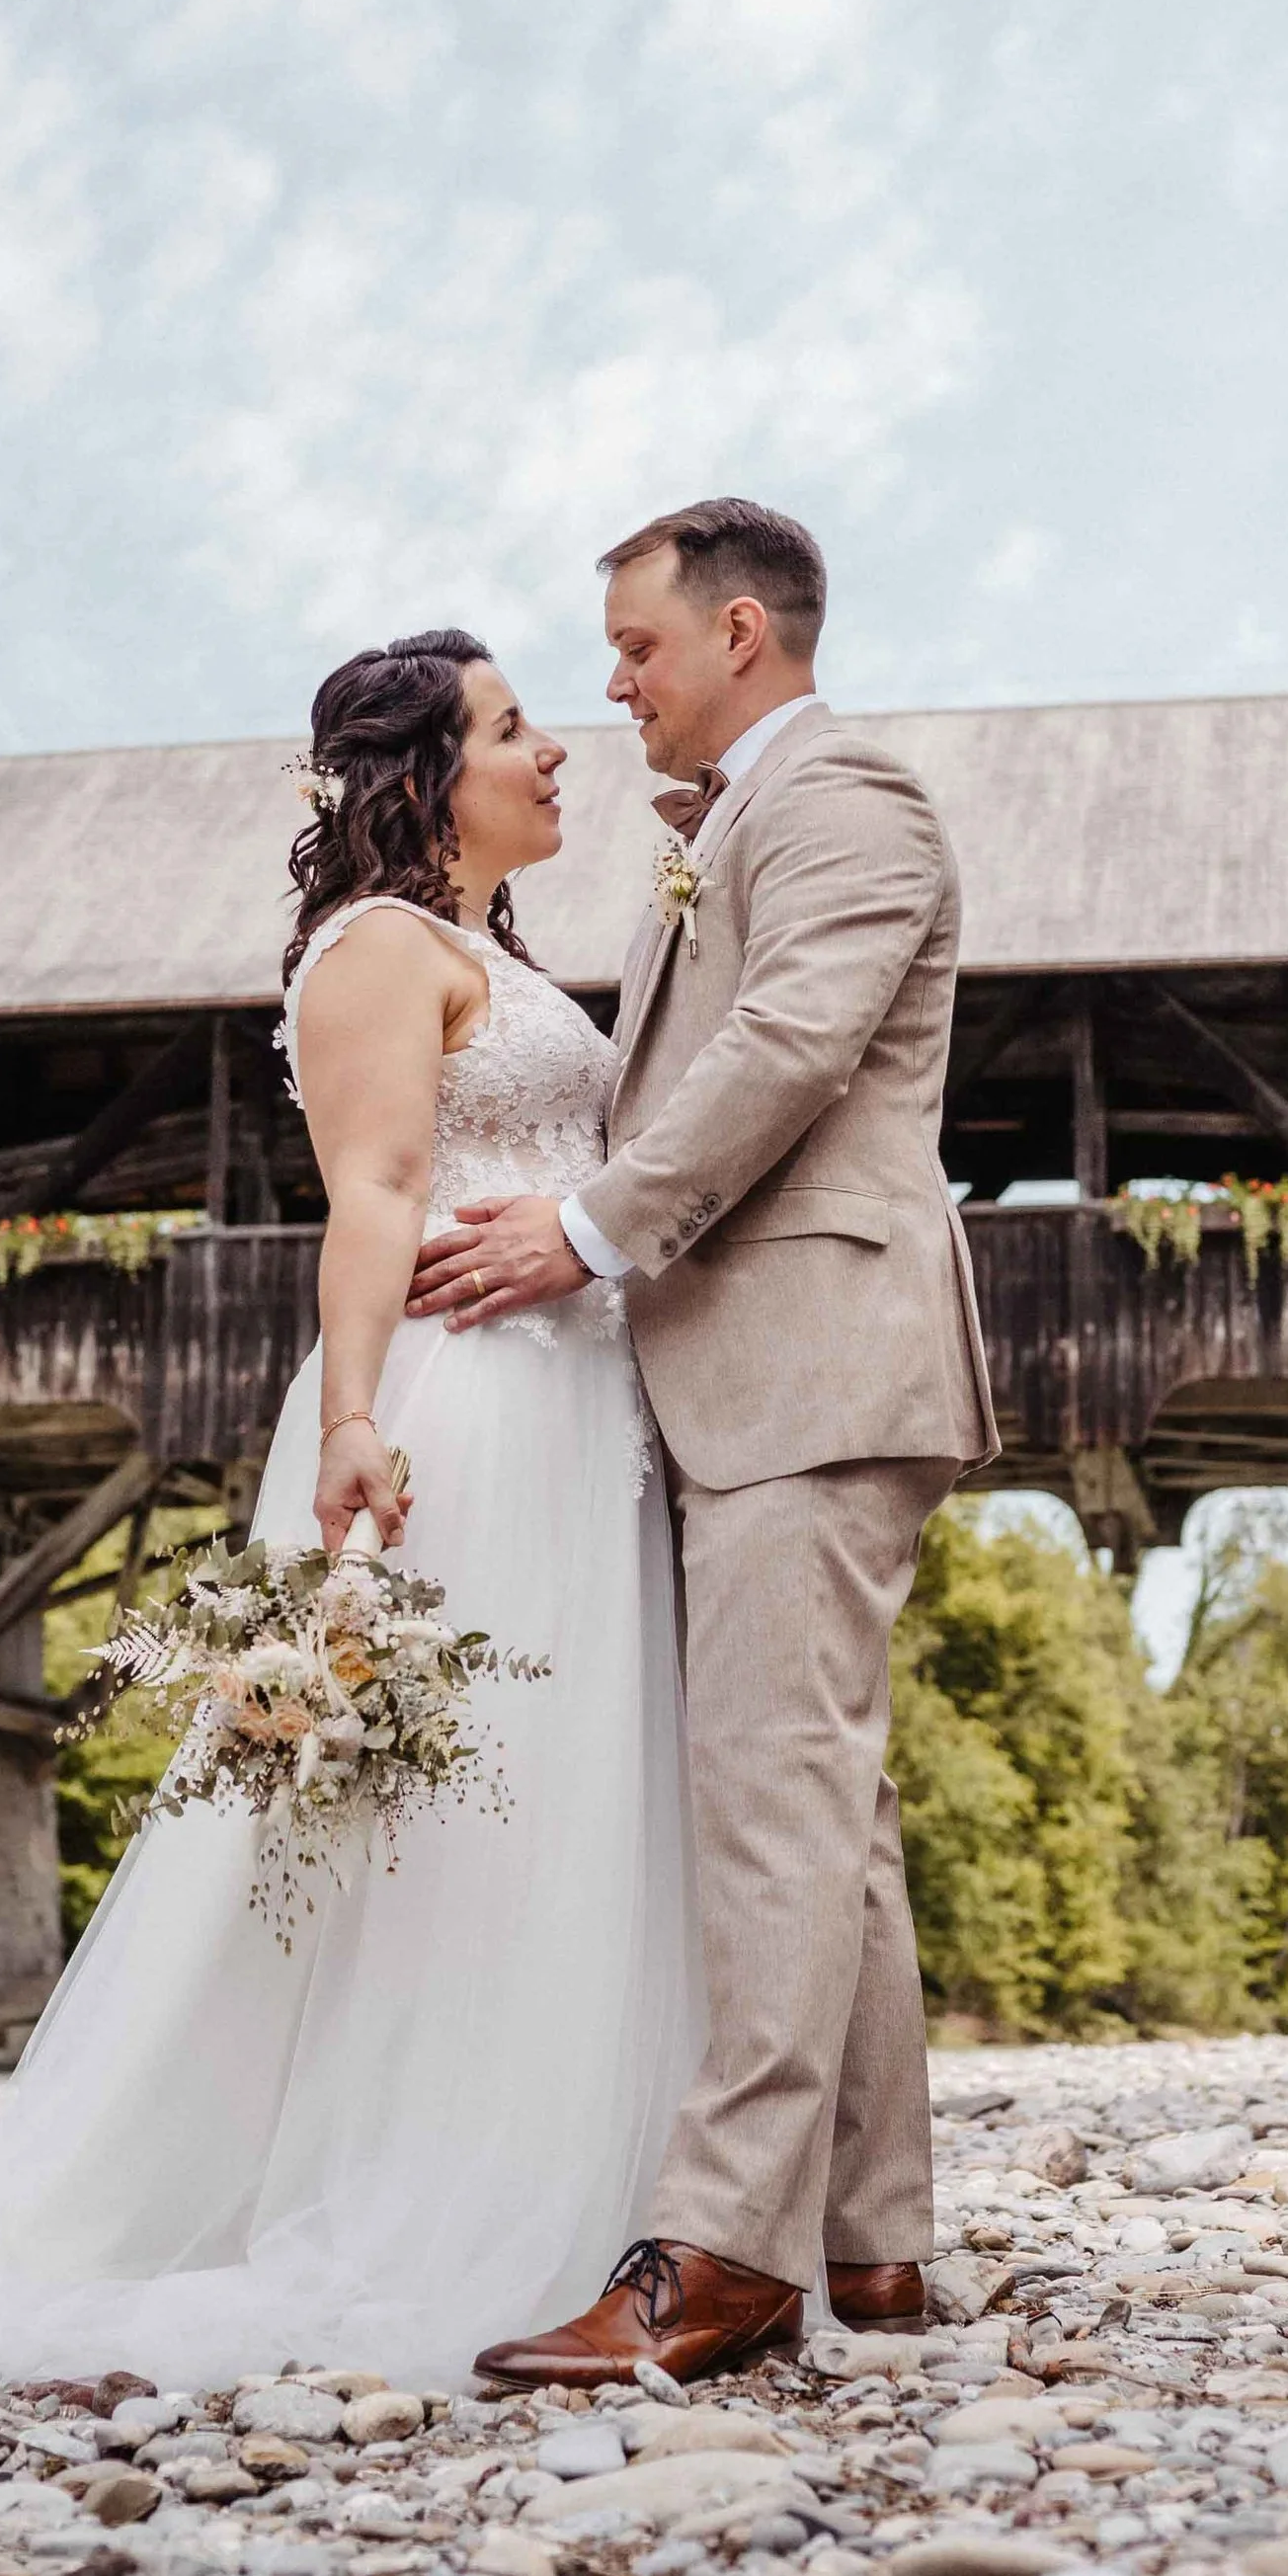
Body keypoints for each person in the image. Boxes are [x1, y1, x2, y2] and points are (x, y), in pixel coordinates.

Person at [0, 631, 701, 2388]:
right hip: (473, 1408)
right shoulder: (376, 949)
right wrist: (356, 1418)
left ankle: (587, 2182)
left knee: (568, 1792)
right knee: (456, 1812)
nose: (557, 753)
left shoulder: (485, 952)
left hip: (585, 1409)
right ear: (423, 775)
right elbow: (371, 1187)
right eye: (515, 728)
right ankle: (417, 2191)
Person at [409, 499, 998, 2387]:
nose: (613, 682)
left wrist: (584, 1227)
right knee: (829, 1814)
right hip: (768, 1372)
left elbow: (794, 1044)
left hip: (811, 1358)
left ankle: (723, 2259)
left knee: (773, 1800)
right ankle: (877, 2249)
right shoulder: (738, 823)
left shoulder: (844, 798)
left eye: (638, 647)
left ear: (742, 633)